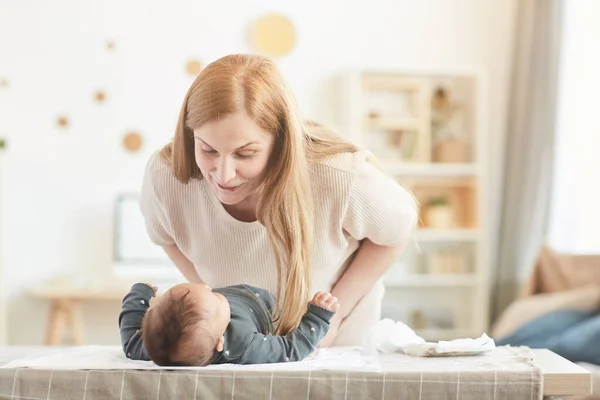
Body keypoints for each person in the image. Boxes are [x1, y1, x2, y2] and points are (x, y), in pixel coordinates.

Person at [140, 53, 418, 346]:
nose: (223, 175)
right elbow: (166, 237)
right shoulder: (165, 178)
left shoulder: (339, 175)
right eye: (208, 150)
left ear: (281, 142)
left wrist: (335, 315)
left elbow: (396, 233)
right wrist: (211, 298)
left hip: (338, 345)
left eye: (245, 154)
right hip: (240, 346)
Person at [118, 282, 339, 365]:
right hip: (267, 308)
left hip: (240, 300)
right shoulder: (242, 345)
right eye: (213, 296)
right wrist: (317, 317)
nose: (207, 286)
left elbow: (130, 336)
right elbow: (291, 350)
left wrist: (139, 294)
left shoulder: (156, 345)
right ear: (220, 342)